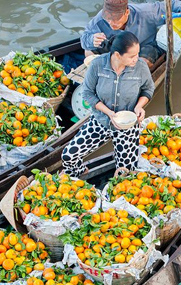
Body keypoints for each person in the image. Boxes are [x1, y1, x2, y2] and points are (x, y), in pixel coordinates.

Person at [61, 32, 154, 178]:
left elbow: (148, 89)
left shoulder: (141, 67)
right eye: (131, 56)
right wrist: (109, 113)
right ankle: (80, 174)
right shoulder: (98, 65)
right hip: (101, 121)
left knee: (126, 171)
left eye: (137, 54)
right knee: (68, 156)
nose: (136, 59)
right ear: (117, 55)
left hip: (127, 125)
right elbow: (87, 93)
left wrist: (139, 106)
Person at [81, 0, 181, 67]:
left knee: (141, 64)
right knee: (88, 51)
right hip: (117, 47)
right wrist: (91, 40)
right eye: (108, 19)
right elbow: (84, 40)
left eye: (116, 19)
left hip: (143, 46)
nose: (111, 23)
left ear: (127, 13)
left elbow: (172, 4)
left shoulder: (145, 12)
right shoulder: (99, 20)